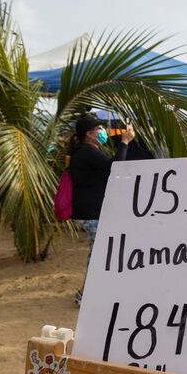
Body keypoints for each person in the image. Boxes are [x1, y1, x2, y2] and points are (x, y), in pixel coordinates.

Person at [70, 112, 134, 304]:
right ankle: (84, 293)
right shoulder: (87, 152)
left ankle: (94, 291)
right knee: (99, 253)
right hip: (92, 212)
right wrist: (124, 143)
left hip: (91, 211)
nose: (102, 131)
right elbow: (116, 167)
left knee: (100, 251)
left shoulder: (86, 150)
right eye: (98, 129)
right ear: (89, 134)